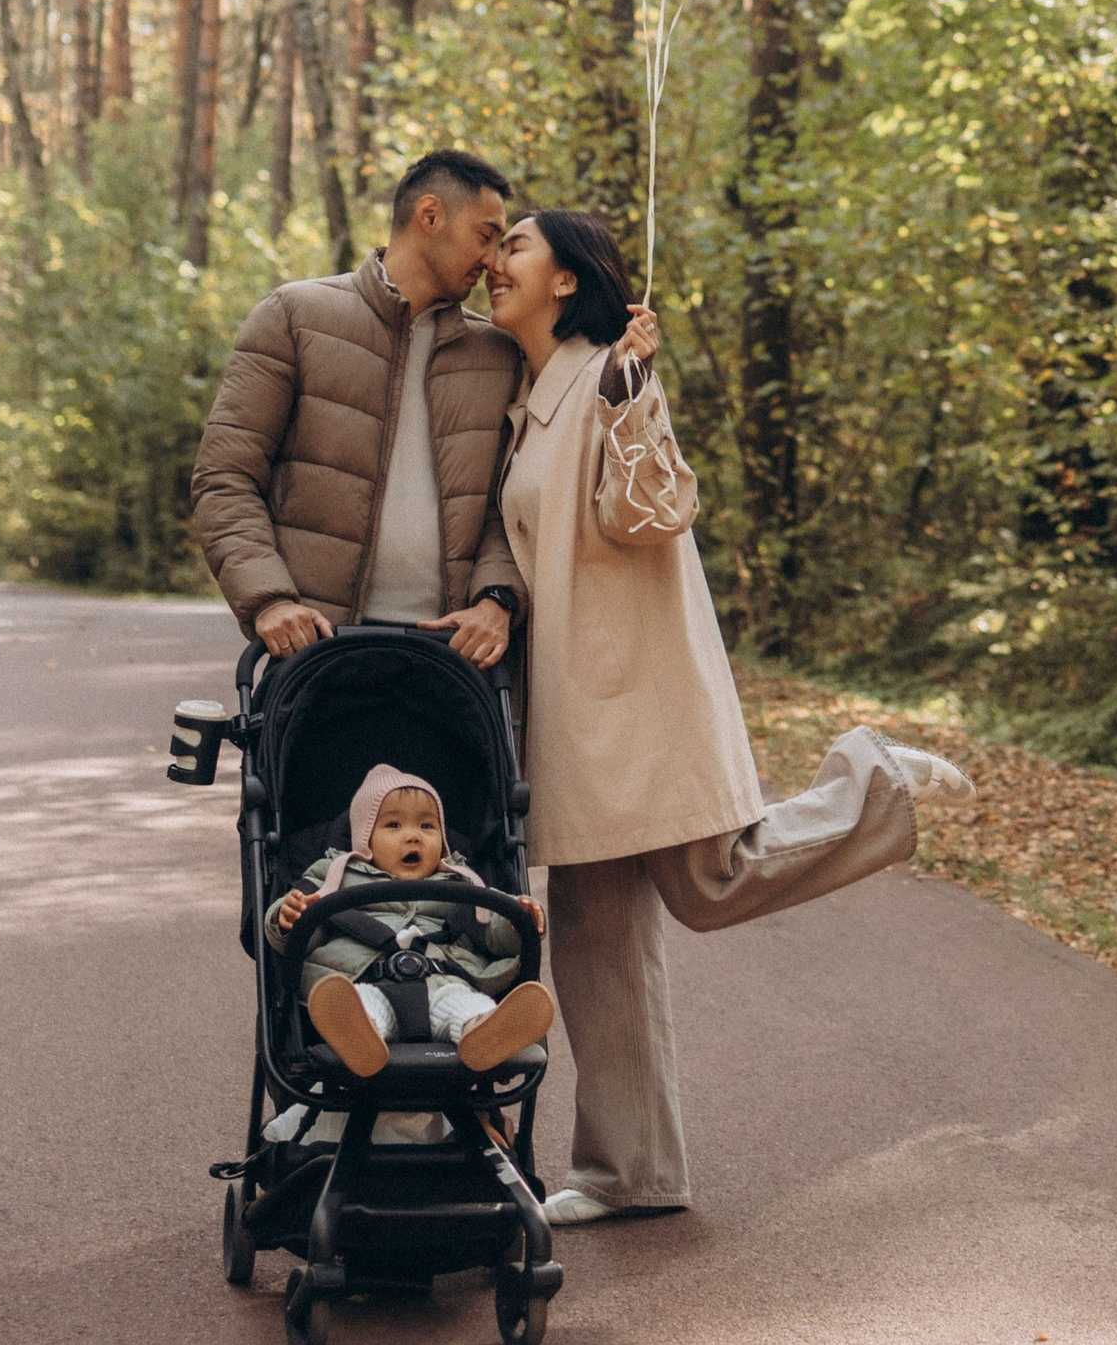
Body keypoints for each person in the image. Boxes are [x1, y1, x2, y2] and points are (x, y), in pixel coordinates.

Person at [487, 206, 967, 1223]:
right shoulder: (527, 398)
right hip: (574, 704)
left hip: (637, 692)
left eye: (514, 247)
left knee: (710, 880)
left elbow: (654, 513)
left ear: (566, 278)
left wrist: (632, 395)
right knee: (593, 930)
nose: (495, 264)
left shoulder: (608, 374)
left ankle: (872, 777)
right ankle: (632, 1174)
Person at [191, 149, 525, 667]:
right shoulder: (295, 316)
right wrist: (269, 600)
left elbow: (511, 507)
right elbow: (225, 478)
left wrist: (496, 600)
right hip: (316, 651)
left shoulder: (499, 355)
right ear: (430, 216)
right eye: (486, 236)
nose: (493, 260)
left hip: (451, 660)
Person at [270, 762, 554, 1080]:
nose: (414, 836)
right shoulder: (333, 876)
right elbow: (303, 936)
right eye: (394, 825)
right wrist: (289, 917)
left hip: (445, 981)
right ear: (365, 837)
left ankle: (489, 1032)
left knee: (468, 1006)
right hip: (362, 978)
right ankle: (360, 1039)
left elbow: (489, 932)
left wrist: (516, 922)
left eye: (427, 827)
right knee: (361, 1009)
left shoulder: (461, 884)